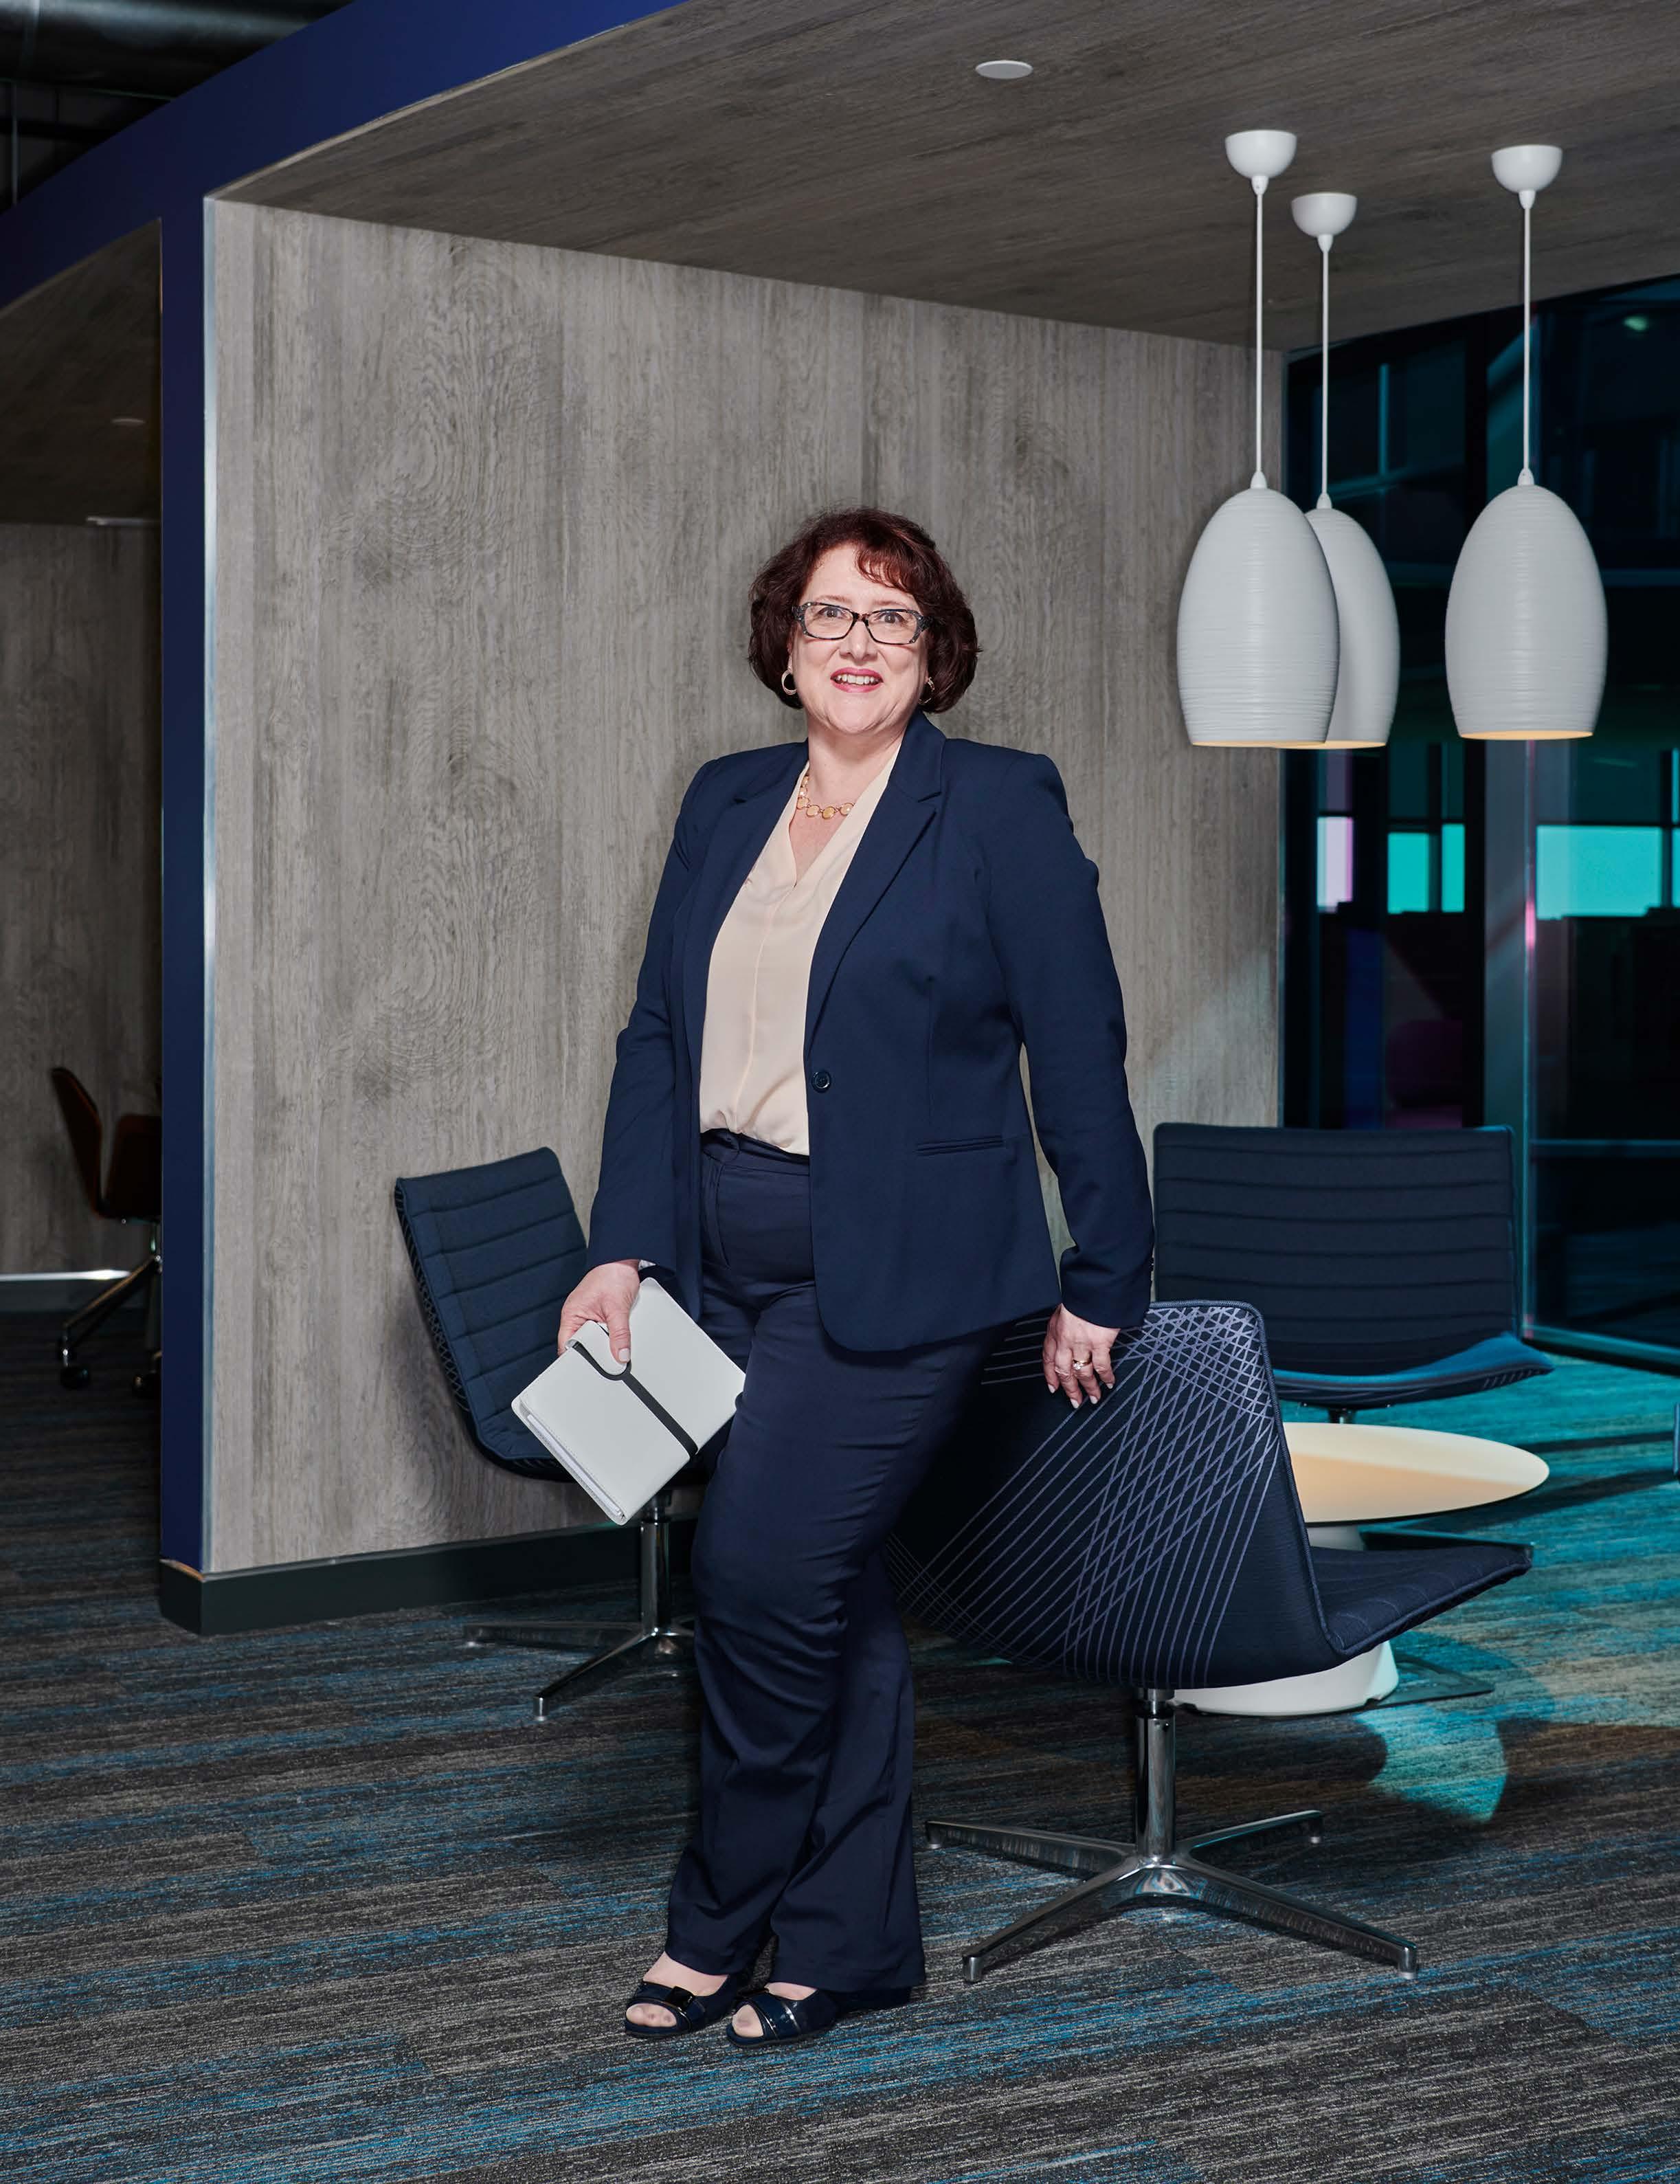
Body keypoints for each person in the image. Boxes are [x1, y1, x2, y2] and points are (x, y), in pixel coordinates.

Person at [557, 506, 1154, 2051]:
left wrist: (1105, 1270)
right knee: (833, 1601)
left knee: (756, 1577)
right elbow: (656, 1035)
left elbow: (1077, 1045)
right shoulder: (725, 799)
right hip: (717, 1261)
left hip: (892, 1279)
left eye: (892, 618)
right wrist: (621, 1245)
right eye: (830, 613)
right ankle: (852, 1942)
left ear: (933, 654)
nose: (858, 642)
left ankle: (715, 1920)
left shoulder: (998, 805)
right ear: (784, 644)